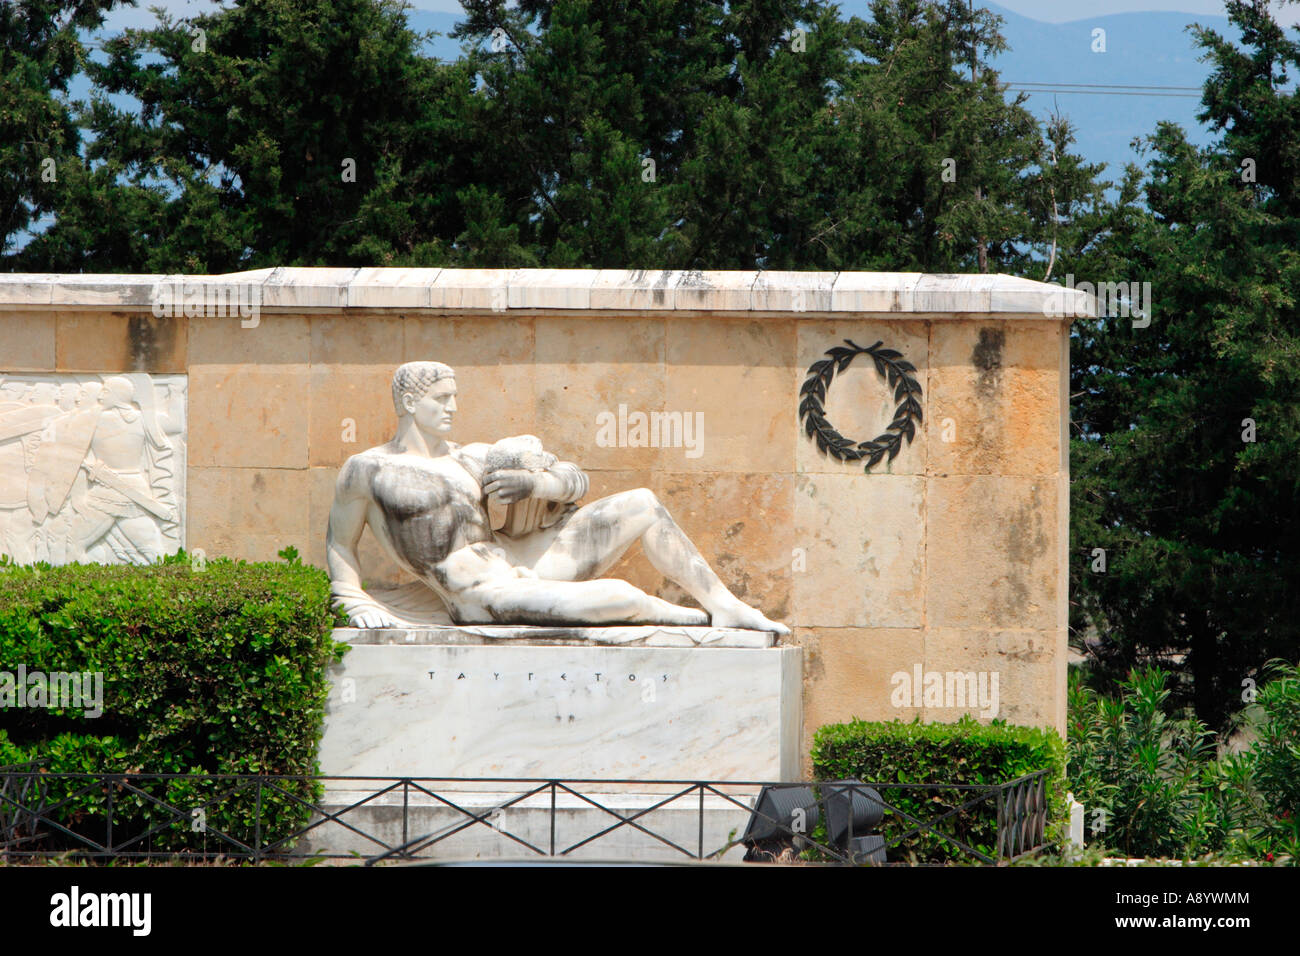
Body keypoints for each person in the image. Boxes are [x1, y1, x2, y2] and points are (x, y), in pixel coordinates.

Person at [327, 361, 788, 633]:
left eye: (455, 397)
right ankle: (687, 620)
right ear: (409, 403)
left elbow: (573, 478)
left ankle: (725, 606)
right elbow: (340, 544)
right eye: (442, 399)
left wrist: (535, 486)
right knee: (619, 594)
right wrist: (352, 597)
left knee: (643, 503)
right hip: (478, 594)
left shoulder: (473, 457)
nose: (454, 408)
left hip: (518, 558)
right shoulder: (369, 469)